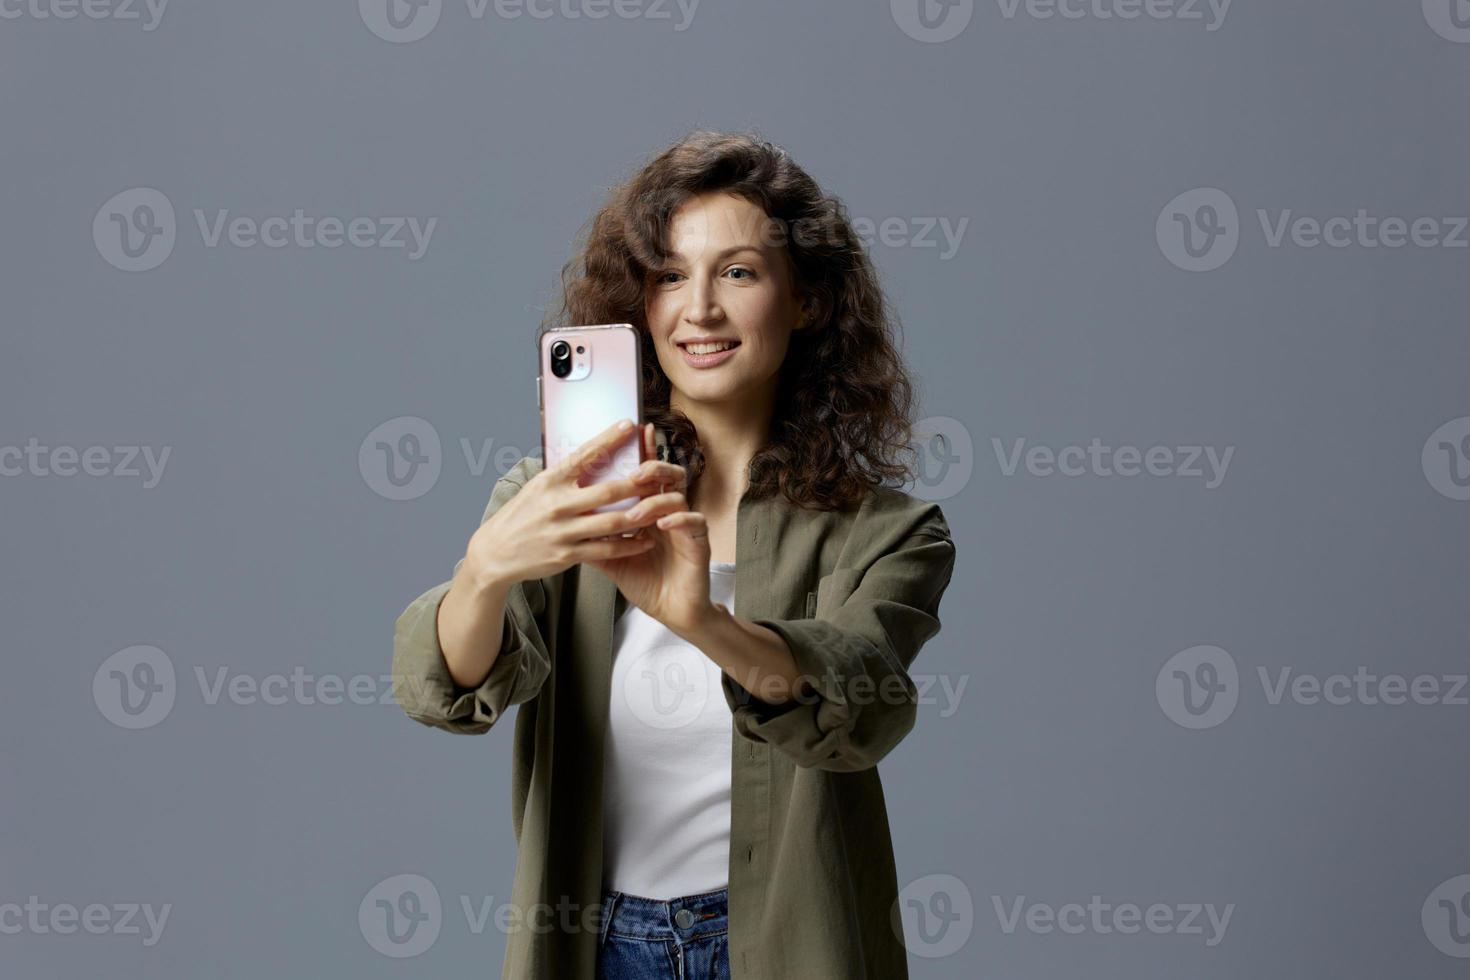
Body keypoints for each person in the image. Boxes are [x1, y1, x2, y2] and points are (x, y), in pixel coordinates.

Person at [392, 130, 958, 979]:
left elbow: (860, 709)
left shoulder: (888, 532)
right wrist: (484, 569)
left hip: (784, 946)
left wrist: (699, 619)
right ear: (638, 304)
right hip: (598, 944)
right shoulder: (560, 499)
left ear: (804, 301)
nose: (699, 309)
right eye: (668, 275)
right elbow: (444, 691)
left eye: (738, 272)